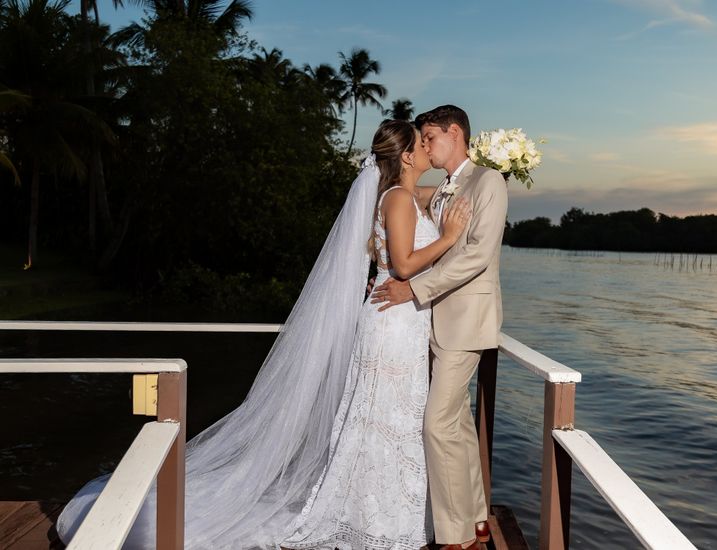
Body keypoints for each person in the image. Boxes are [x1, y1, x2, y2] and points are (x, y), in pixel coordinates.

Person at [55, 119, 471, 549]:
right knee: (381, 419)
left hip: (402, 321)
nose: (427, 147)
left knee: (392, 419)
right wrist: (452, 236)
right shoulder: (399, 197)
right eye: (421, 143)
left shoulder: (407, 197)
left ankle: (389, 513)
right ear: (404, 156)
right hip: (392, 325)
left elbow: (441, 202)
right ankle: (373, 516)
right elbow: (403, 265)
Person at [371, 105, 509, 550]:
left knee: (435, 424)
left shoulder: (489, 182)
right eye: (421, 140)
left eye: (430, 136)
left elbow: (476, 256)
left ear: (455, 133)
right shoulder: (446, 187)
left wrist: (413, 290)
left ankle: (454, 539)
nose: (425, 145)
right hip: (433, 322)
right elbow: (401, 204)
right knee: (458, 427)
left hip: (467, 321)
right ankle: (477, 523)